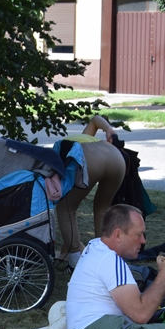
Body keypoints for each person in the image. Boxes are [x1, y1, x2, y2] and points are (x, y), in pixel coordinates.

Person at [54, 115, 126, 269]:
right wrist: (109, 130)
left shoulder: (72, 147)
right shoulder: (87, 138)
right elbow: (95, 119)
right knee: (102, 209)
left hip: (91, 159)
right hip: (116, 157)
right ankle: (103, 258)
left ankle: (75, 262)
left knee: (65, 208)